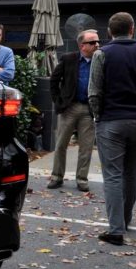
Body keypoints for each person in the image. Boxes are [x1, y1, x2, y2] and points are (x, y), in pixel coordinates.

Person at [88, 12, 136, 246]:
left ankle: (116, 228)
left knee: (113, 175)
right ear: (132, 29)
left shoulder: (102, 54)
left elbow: (94, 91)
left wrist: (99, 116)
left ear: (109, 32)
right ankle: (125, 220)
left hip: (111, 120)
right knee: (131, 173)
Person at [46, 29, 100, 192]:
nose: (97, 45)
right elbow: (54, 80)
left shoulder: (100, 61)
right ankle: (57, 176)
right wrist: (58, 102)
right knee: (61, 144)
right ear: (82, 45)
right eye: (92, 42)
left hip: (89, 109)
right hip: (69, 107)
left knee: (86, 147)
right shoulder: (69, 59)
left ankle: (82, 179)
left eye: (98, 42)